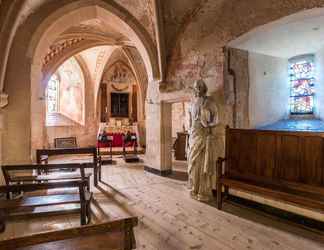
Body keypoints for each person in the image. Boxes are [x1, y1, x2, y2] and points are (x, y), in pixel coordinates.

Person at [187, 79, 218, 202]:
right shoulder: (192, 103)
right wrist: (189, 131)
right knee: (193, 163)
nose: (197, 89)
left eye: (199, 87)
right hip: (193, 136)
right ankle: (194, 188)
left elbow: (216, 119)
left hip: (204, 135)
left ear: (204, 88)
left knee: (202, 162)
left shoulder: (209, 102)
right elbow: (189, 121)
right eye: (196, 87)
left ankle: (203, 191)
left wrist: (209, 125)